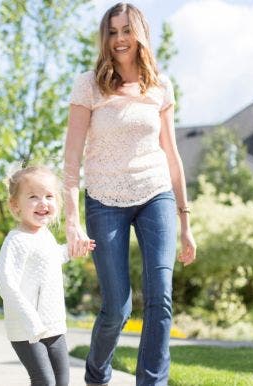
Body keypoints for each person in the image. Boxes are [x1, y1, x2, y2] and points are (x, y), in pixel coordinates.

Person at [63, 3, 197, 385]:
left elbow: (172, 155)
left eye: (126, 30)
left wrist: (185, 223)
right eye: (112, 31)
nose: (120, 39)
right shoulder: (88, 84)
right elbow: (72, 155)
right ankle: (96, 373)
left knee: (161, 297)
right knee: (117, 308)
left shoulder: (160, 86)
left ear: (140, 34)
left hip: (156, 194)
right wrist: (72, 220)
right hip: (104, 198)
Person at [0, 165, 95, 386]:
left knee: (61, 381)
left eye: (49, 196)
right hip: (27, 328)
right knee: (44, 381)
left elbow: (51, 258)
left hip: (54, 325)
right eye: (33, 197)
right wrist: (31, 320)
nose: (43, 203)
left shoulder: (45, 236)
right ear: (15, 205)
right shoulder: (16, 241)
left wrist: (72, 248)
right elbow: (4, 281)